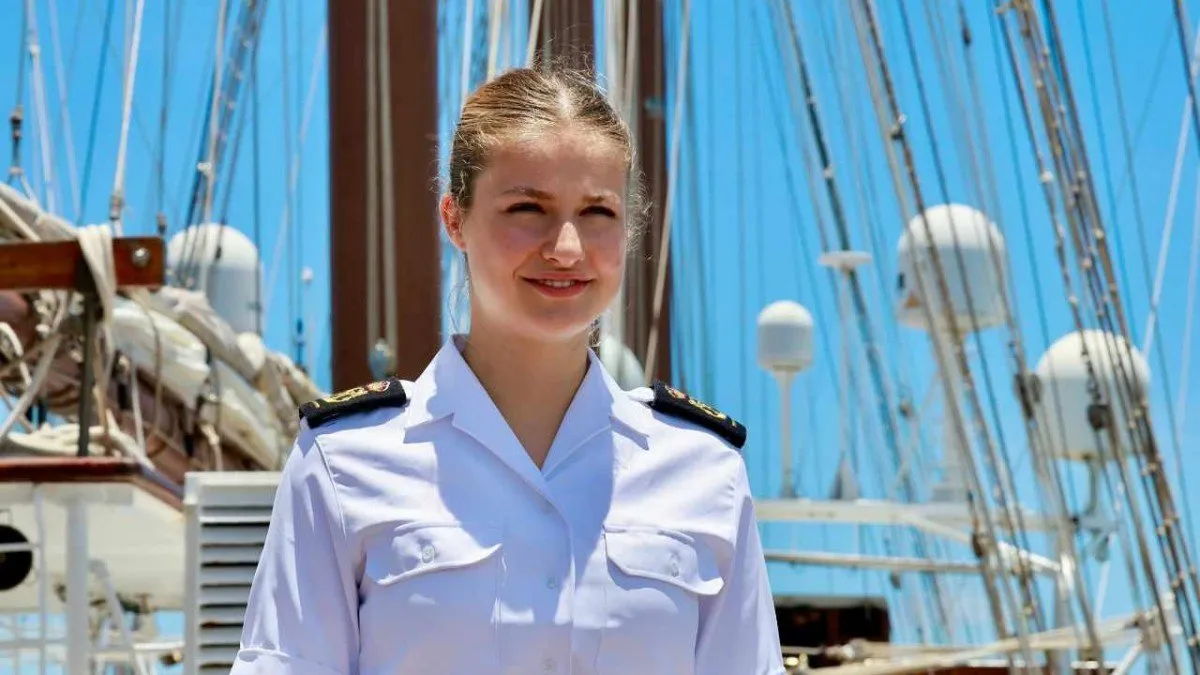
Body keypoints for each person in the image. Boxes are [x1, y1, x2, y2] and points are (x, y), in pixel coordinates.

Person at [231, 65, 785, 675]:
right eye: (528, 207)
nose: (566, 248)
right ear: (454, 218)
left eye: (598, 211)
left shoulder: (706, 471)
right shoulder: (341, 463)